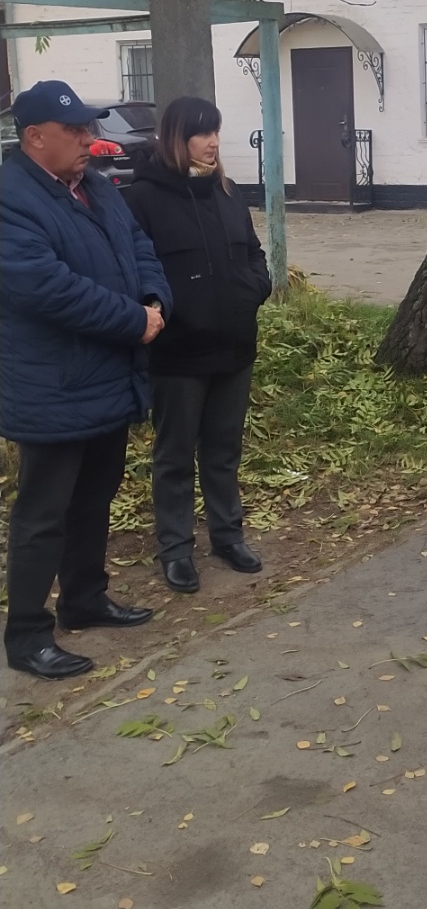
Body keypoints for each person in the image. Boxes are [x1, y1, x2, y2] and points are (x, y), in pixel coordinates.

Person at [1, 81, 171, 679]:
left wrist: (154, 299)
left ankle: (84, 599)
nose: (89, 139)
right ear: (35, 138)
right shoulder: (11, 199)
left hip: (108, 376)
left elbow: (140, 248)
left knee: (94, 499)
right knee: (43, 513)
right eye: (76, 131)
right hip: (54, 385)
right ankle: (25, 635)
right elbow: (47, 288)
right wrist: (136, 322)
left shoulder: (97, 188)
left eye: (90, 128)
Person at [124, 98, 271, 593]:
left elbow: (252, 254)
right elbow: (136, 273)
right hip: (178, 356)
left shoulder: (226, 191)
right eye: (202, 134)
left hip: (233, 347)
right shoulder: (142, 198)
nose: (213, 142)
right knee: (174, 455)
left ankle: (228, 536)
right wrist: (169, 314)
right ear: (175, 137)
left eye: (216, 132)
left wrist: (255, 290)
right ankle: (176, 549)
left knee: (224, 450)